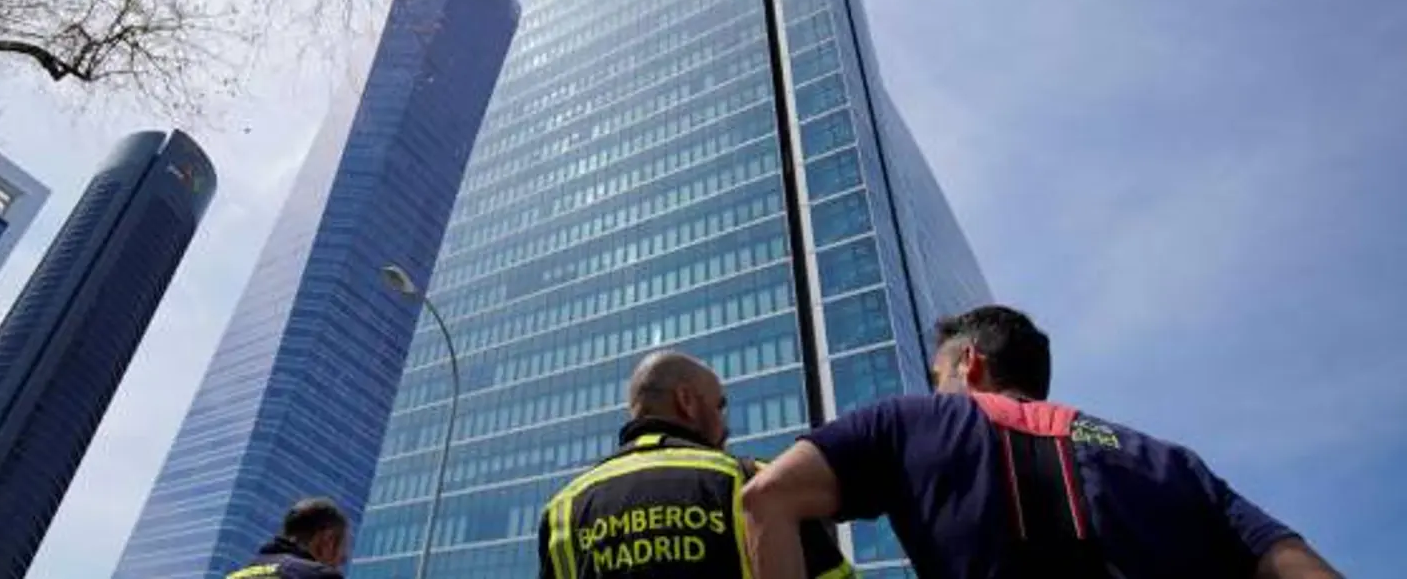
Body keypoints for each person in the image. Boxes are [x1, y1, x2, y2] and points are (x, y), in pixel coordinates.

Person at [741, 305, 1344, 579]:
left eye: (938, 375)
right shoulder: (1170, 460)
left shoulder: (908, 422)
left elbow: (766, 496)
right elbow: (1293, 562)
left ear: (969, 364)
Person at [539, 350, 851, 579]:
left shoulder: (562, 510)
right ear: (686, 401)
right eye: (719, 406)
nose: (725, 425)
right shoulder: (758, 482)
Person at [226, 497, 352, 579]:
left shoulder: (235, 576)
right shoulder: (318, 575)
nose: (342, 561)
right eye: (342, 551)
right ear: (327, 540)